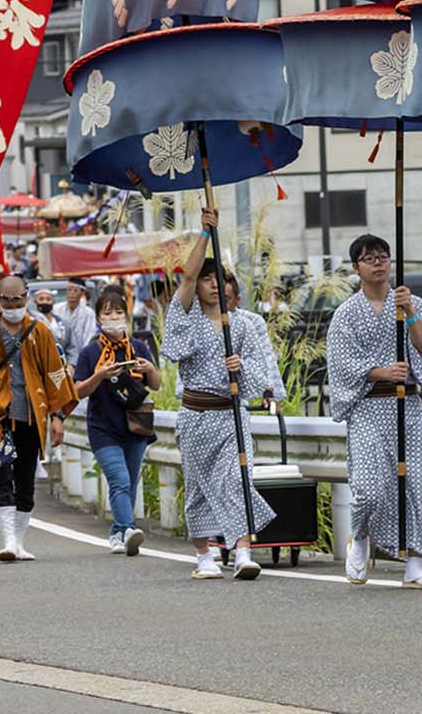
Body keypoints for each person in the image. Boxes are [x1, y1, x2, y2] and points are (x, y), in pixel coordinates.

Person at [160, 209, 286, 581]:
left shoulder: (242, 324)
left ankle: (243, 549)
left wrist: (240, 368)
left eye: (220, 279)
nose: (214, 285)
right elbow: (185, 275)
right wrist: (205, 231)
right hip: (197, 414)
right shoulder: (185, 314)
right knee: (199, 485)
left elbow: (259, 373)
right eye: (206, 279)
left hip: (231, 415)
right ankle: (203, 554)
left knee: (237, 479)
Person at [327, 233, 422, 588]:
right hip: (368, 406)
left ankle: (415, 563)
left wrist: (410, 313)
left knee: (416, 483)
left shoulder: (411, 302)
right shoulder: (347, 314)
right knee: (369, 487)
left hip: (406, 406)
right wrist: (381, 371)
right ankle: (361, 536)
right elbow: (342, 362)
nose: (378, 262)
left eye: (383, 256)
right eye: (369, 258)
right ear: (356, 267)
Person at [0, 275, 76, 563]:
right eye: (6, 300)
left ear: (26, 297)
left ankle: (20, 540)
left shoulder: (40, 331)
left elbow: (55, 374)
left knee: (26, 479)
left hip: (31, 413)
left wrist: (57, 416)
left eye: (18, 300)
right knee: (1, 472)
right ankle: (9, 540)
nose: (12, 305)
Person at [73, 290, 159, 555]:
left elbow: (155, 385)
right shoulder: (91, 352)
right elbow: (77, 391)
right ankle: (130, 528)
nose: (114, 318)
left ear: (127, 315)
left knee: (129, 483)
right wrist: (98, 376)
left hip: (135, 426)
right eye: (107, 313)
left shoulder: (139, 347)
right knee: (119, 480)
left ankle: (118, 534)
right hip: (103, 428)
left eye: (119, 312)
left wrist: (150, 370)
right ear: (98, 317)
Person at [57, 280, 98, 365]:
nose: (72, 293)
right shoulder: (57, 309)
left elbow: (89, 335)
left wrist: (83, 356)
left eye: (75, 290)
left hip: (81, 355)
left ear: (82, 293)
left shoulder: (88, 313)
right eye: (69, 290)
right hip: (60, 354)